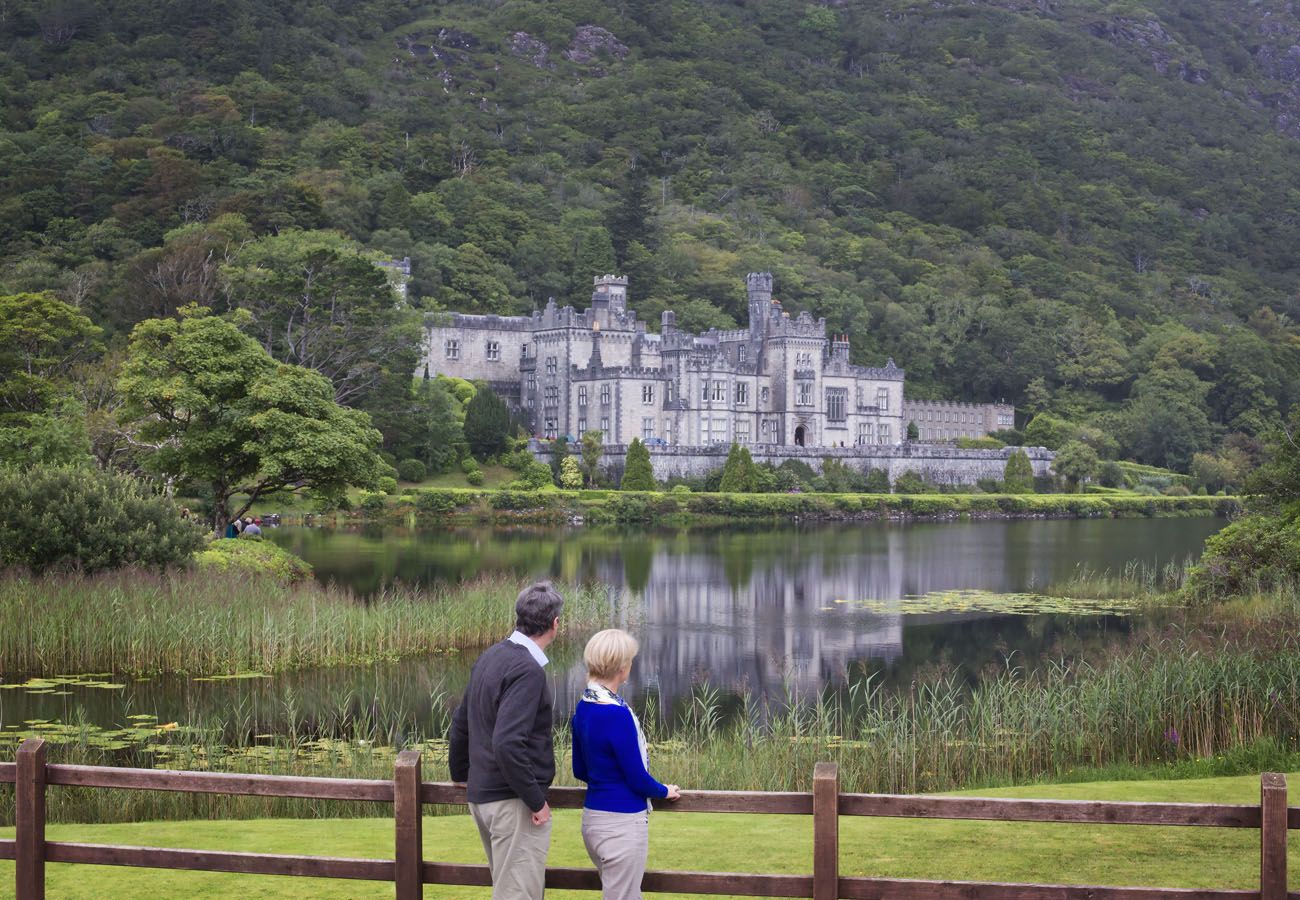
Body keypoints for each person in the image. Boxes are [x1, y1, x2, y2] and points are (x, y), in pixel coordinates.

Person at [449, 582, 564, 900]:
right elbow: (508, 742)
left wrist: (460, 775)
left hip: (484, 797)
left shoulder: (491, 656)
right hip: (513, 803)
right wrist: (535, 800)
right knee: (518, 895)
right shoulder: (528, 669)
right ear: (555, 624)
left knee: (509, 889)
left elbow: (461, 723)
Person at [571, 629, 681, 900]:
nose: (632, 664)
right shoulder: (616, 714)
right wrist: (664, 791)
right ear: (621, 667)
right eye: (630, 659)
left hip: (593, 822)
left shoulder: (585, 705)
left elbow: (579, 770)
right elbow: (637, 778)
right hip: (621, 826)